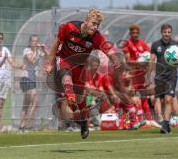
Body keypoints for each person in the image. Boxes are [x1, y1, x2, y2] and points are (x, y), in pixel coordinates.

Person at [45, 8, 128, 139]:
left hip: (80, 66)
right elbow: (56, 43)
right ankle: (71, 103)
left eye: (98, 25)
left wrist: (116, 60)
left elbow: (108, 50)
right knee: (66, 80)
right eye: (93, 23)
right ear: (87, 20)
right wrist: (49, 63)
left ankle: (84, 123)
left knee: (80, 98)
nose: (95, 27)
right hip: (64, 60)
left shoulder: (96, 37)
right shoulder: (69, 27)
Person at [147, 24, 178, 134]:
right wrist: (148, 76)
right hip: (159, 77)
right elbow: (151, 61)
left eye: (169, 32)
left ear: (171, 33)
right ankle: (165, 122)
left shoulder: (176, 45)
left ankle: (165, 124)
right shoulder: (155, 45)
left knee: (169, 99)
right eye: (165, 32)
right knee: (161, 100)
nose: (166, 34)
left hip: (171, 76)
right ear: (161, 32)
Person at [123, 24, 158, 127]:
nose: (135, 34)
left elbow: (149, 57)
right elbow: (127, 61)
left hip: (141, 75)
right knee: (131, 98)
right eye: (133, 33)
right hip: (132, 75)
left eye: (137, 33)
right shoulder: (127, 44)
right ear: (130, 33)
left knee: (144, 98)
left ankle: (148, 120)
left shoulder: (143, 44)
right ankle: (132, 121)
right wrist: (138, 62)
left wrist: (147, 64)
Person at [19, 34, 49, 131]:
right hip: (26, 79)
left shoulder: (38, 51)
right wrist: (37, 50)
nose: (35, 43)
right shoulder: (26, 50)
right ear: (29, 42)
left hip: (32, 79)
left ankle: (21, 126)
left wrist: (44, 49)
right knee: (35, 102)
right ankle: (28, 125)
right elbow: (31, 61)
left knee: (26, 104)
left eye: (36, 41)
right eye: (33, 41)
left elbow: (47, 58)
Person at [0, 31, 25, 131]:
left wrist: (19, 66)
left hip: (4, 81)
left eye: (0, 38)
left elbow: (12, 63)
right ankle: (0, 126)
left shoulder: (5, 50)